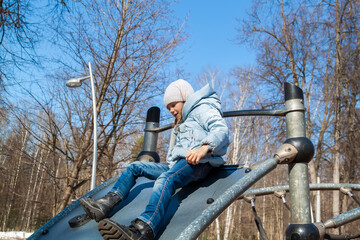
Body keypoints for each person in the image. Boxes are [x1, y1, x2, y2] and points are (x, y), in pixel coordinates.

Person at [80, 79, 230, 240]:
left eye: (173, 104)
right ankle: (107, 203)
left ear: (185, 98)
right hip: (179, 164)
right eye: (168, 107)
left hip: (199, 163)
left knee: (166, 179)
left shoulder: (202, 108)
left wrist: (204, 148)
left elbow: (221, 129)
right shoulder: (184, 120)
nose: (171, 110)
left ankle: (145, 228)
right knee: (135, 167)